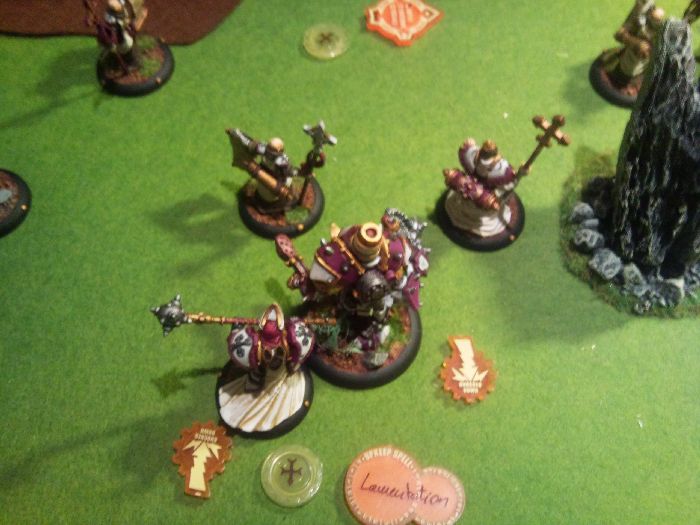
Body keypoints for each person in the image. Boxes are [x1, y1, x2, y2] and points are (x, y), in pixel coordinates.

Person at [443, 138, 517, 238]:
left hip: (485, 192)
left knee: (486, 201)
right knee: (467, 191)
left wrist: (515, 177)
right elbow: (466, 152)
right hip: (471, 185)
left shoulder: (500, 169)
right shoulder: (472, 157)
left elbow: (507, 181)